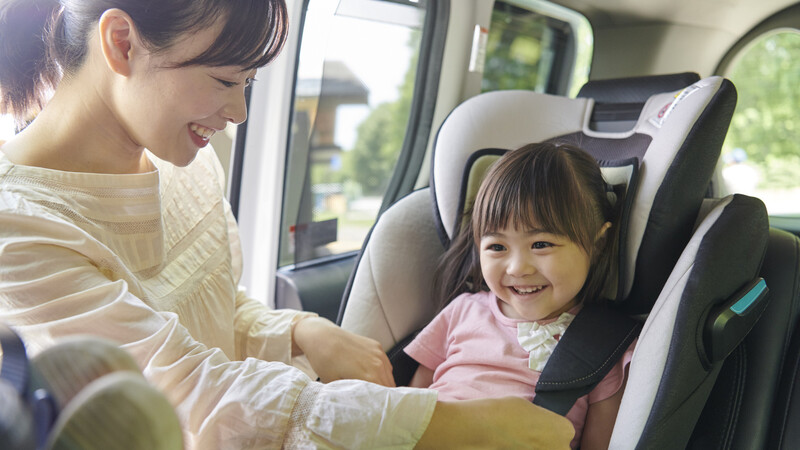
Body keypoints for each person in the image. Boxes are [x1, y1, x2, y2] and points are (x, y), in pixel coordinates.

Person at [0, 0, 575, 448]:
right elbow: (185, 392)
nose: (239, 113)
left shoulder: (187, 166)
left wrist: (301, 331)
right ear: (121, 43)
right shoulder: (18, 228)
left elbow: (217, 311)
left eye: (247, 85)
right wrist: (449, 426)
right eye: (225, 80)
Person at [405, 143, 636, 450]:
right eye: (497, 247)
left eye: (541, 244)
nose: (517, 268)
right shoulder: (462, 312)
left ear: (598, 243)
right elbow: (409, 412)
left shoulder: (608, 347)